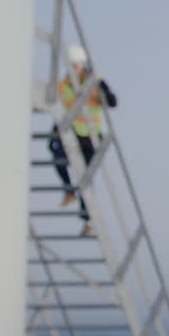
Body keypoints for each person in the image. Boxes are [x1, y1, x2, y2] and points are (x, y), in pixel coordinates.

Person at [49, 44, 116, 231]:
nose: (74, 70)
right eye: (71, 66)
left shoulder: (95, 82)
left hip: (92, 136)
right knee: (55, 149)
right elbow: (54, 100)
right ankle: (69, 191)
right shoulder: (63, 85)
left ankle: (88, 220)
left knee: (86, 178)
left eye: (77, 66)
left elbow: (112, 101)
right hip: (72, 133)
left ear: (83, 66)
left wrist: (105, 97)